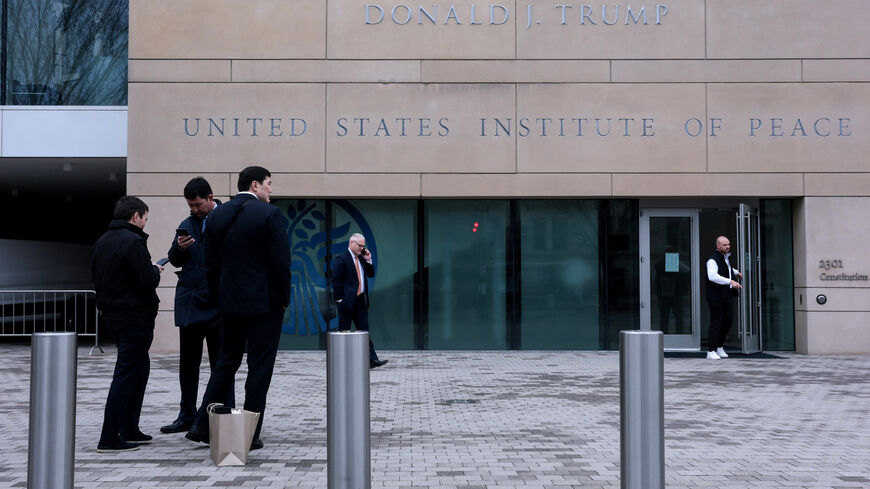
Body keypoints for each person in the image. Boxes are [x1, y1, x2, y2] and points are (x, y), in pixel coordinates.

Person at [185, 166, 291, 450]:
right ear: (255, 185)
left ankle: (201, 423)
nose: (271, 189)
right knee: (259, 366)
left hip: (230, 304)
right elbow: (280, 263)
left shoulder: (218, 214)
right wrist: (283, 298)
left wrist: (219, 295)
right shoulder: (270, 214)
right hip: (264, 305)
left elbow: (210, 261)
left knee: (225, 363)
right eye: (269, 183)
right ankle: (250, 432)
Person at [160, 177, 234, 434]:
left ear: (211, 199)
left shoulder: (227, 218)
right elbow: (173, 259)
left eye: (197, 204)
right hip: (191, 303)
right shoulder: (186, 224)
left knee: (221, 363)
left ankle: (222, 414)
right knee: (188, 363)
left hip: (218, 303)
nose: (193, 209)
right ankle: (186, 414)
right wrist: (179, 249)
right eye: (190, 205)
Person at [92, 196, 163, 452]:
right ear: (136, 216)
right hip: (134, 317)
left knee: (138, 369)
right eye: (145, 217)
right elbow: (146, 280)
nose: (145, 222)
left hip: (114, 316)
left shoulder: (103, 241)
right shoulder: (132, 241)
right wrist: (155, 270)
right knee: (125, 374)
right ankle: (109, 436)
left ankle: (130, 427)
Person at [332, 233, 388, 369]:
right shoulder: (342, 259)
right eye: (360, 246)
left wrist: (368, 259)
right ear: (352, 243)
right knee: (343, 332)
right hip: (346, 302)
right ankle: (340, 362)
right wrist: (339, 300)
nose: (362, 249)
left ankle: (372, 360)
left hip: (360, 301)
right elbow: (336, 281)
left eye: (363, 246)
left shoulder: (361, 258)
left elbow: (370, 274)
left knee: (364, 331)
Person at [705, 236, 743, 360]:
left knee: (728, 321)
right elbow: (712, 276)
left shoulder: (725, 258)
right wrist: (730, 281)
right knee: (716, 323)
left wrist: (736, 272)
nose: (728, 246)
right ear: (718, 246)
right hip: (715, 296)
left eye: (728, 244)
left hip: (725, 295)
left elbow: (727, 268)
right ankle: (711, 350)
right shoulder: (712, 260)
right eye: (725, 245)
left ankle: (719, 347)